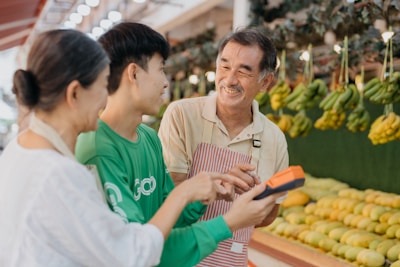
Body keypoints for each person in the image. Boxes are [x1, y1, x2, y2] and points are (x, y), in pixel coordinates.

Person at [0, 29, 267, 267]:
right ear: (75, 94)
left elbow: (157, 223)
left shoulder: (20, 152)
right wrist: (224, 219)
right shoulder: (62, 173)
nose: (107, 94)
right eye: (103, 84)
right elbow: (132, 254)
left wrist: (198, 192)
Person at [75, 22, 284, 267]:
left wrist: (211, 188)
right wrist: (227, 222)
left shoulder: (148, 139)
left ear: (265, 81)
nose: (166, 82)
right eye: (161, 69)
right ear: (133, 73)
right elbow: (137, 250)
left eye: (244, 71)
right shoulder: (97, 151)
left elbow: (169, 219)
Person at [158, 27, 289, 266]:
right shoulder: (182, 115)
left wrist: (256, 202)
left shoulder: (275, 138)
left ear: (266, 81)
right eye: (225, 66)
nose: (229, 80)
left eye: (243, 72)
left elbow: (270, 214)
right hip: (181, 257)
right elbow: (169, 193)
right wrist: (219, 186)